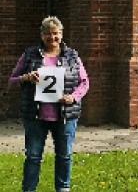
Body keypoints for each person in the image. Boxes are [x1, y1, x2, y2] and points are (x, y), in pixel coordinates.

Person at [9, 16, 90, 192]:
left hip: (65, 116)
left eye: (55, 33)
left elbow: (84, 83)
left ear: (61, 34)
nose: (52, 38)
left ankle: (63, 188)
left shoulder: (72, 56)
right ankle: (29, 189)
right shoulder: (29, 54)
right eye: (47, 33)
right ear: (41, 35)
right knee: (33, 156)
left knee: (65, 156)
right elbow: (12, 80)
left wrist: (73, 97)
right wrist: (26, 77)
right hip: (36, 116)